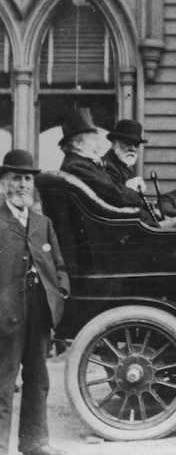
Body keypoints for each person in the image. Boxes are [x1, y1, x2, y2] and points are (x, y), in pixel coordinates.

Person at [0, 150, 70, 455]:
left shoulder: (43, 223)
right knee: (2, 383)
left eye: (27, 178)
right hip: (5, 315)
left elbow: (59, 266)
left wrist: (60, 294)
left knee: (38, 381)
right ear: (3, 184)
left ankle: (35, 442)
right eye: (16, 178)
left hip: (39, 312)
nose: (22, 184)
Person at [59, 108, 176, 229]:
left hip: (127, 225)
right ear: (77, 143)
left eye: (136, 144)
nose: (99, 147)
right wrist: (130, 189)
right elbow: (115, 196)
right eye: (94, 141)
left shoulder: (81, 164)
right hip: (124, 229)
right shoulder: (78, 166)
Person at [102, 119, 148, 192]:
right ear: (114, 143)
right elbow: (111, 196)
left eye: (136, 144)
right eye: (127, 142)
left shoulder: (123, 166)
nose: (133, 148)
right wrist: (129, 188)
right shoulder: (107, 167)